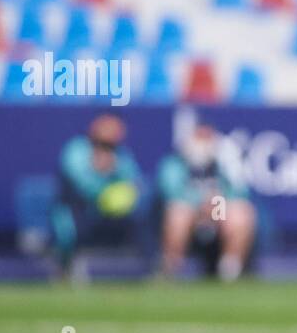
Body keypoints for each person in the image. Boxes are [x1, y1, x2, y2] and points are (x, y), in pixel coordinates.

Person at [51, 114, 147, 279]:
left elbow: (135, 182)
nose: (108, 146)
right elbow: (81, 184)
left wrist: (115, 170)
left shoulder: (120, 155)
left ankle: (150, 271)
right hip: (75, 210)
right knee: (66, 227)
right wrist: (100, 175)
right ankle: (65, 269)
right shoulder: (76, 150)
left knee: (144, 217)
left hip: (108, 213)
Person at [156, 124, 256, 281]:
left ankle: (229, 272)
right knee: (177, 214)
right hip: (191, 211)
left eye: (207, 138)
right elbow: (170, 192)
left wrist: (215, 202)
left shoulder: (225, 162)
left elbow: (238, 191)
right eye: (199, 137)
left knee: (240, 213)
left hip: (218, 210)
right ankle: (170, 270)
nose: (202, 144)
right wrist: (200, 202)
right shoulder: (175, 162)